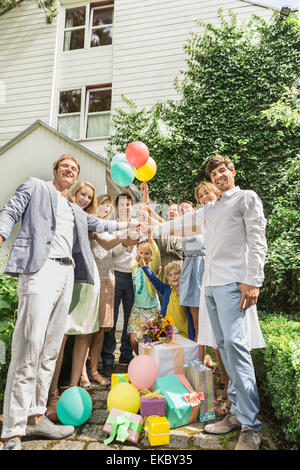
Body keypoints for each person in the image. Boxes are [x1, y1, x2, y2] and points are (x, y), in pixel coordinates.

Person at [0, 156, 138, 450]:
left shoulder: (76, 210)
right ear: (55, 170)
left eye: (75, 169)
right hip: (40, 270)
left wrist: (129, 223)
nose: (70, 170)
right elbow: (10, 210)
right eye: (66, 166)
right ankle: (12, 430)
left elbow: (102, 222)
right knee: (29, 347)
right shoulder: (36, 187)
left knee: (49, 350)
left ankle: (36, 418)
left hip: (68, 275)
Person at [149, 155, 267, 450]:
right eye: (214, 173)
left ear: (232, 171)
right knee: (224, 348)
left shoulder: (246, 198)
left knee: (237, 349)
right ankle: (237, 414)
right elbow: (182, 223)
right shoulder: (210, 208)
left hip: (233, 284)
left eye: (223, 170)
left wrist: (253, 281)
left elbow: (257, 239)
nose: (218, 176)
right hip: (211, 287)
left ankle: (252, 426)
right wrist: (152, 228)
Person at [101, 193, 138, 376]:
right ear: (117, 207)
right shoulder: (112, 226)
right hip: (115, 274)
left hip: (133, 276)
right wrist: (124, 242)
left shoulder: (138, 224)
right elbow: (111, 252)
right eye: (122, 204)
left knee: (131, 317)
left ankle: (126, 354)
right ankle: (108, 359)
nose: (126, 207)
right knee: (112, 318)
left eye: (129, 204)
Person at [88, 195, 119, 386]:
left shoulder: (108, 227)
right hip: (92, 281)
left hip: (109, 280)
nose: (106, 210)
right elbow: (106, 245)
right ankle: (83, 372)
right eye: (103, 205)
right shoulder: (92, 226)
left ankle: (94, 370)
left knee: (101, 330)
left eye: (109, 207)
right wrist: (124, 235)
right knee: (87, 330)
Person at [140, 183, 184, 283]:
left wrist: (148, 217)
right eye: (170, 210)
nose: (171, 211)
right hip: (164, 271)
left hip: (180, 271)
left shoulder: (183, 229)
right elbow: (148, 211)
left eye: (175, 210)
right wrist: (145, 194)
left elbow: (150, 217)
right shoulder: (164, 227)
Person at [140, 260, 194, 339]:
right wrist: (144, 267)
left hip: (185, 336)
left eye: (176, 273)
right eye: (170, 275)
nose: (174, 276)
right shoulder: (166, 290)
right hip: (168, 335)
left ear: (182, 275)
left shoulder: (187, 292)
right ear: (168, 278)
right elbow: (153, 278)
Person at [178, 200, 205, 344]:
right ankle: (199, 359)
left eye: (186, 207)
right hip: (190, 268)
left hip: (204, 266)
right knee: (196, 325)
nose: (183, 211)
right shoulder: (181, 227)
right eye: (180, 210)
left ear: (194, 208)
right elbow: (160, 222)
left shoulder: (205, 221)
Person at [128, 237, 161, 354]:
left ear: (151, 254)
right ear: (137, 253)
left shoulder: (153, 268)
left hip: (152, 309)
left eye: (147, 253)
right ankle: (141, 360)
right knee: (133, 339)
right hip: (138, 309)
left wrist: (151, 239)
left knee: (150, 342)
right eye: (141, 253)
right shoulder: (133, 268)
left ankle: (150, 362)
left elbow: (157, 257)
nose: (144, 256)